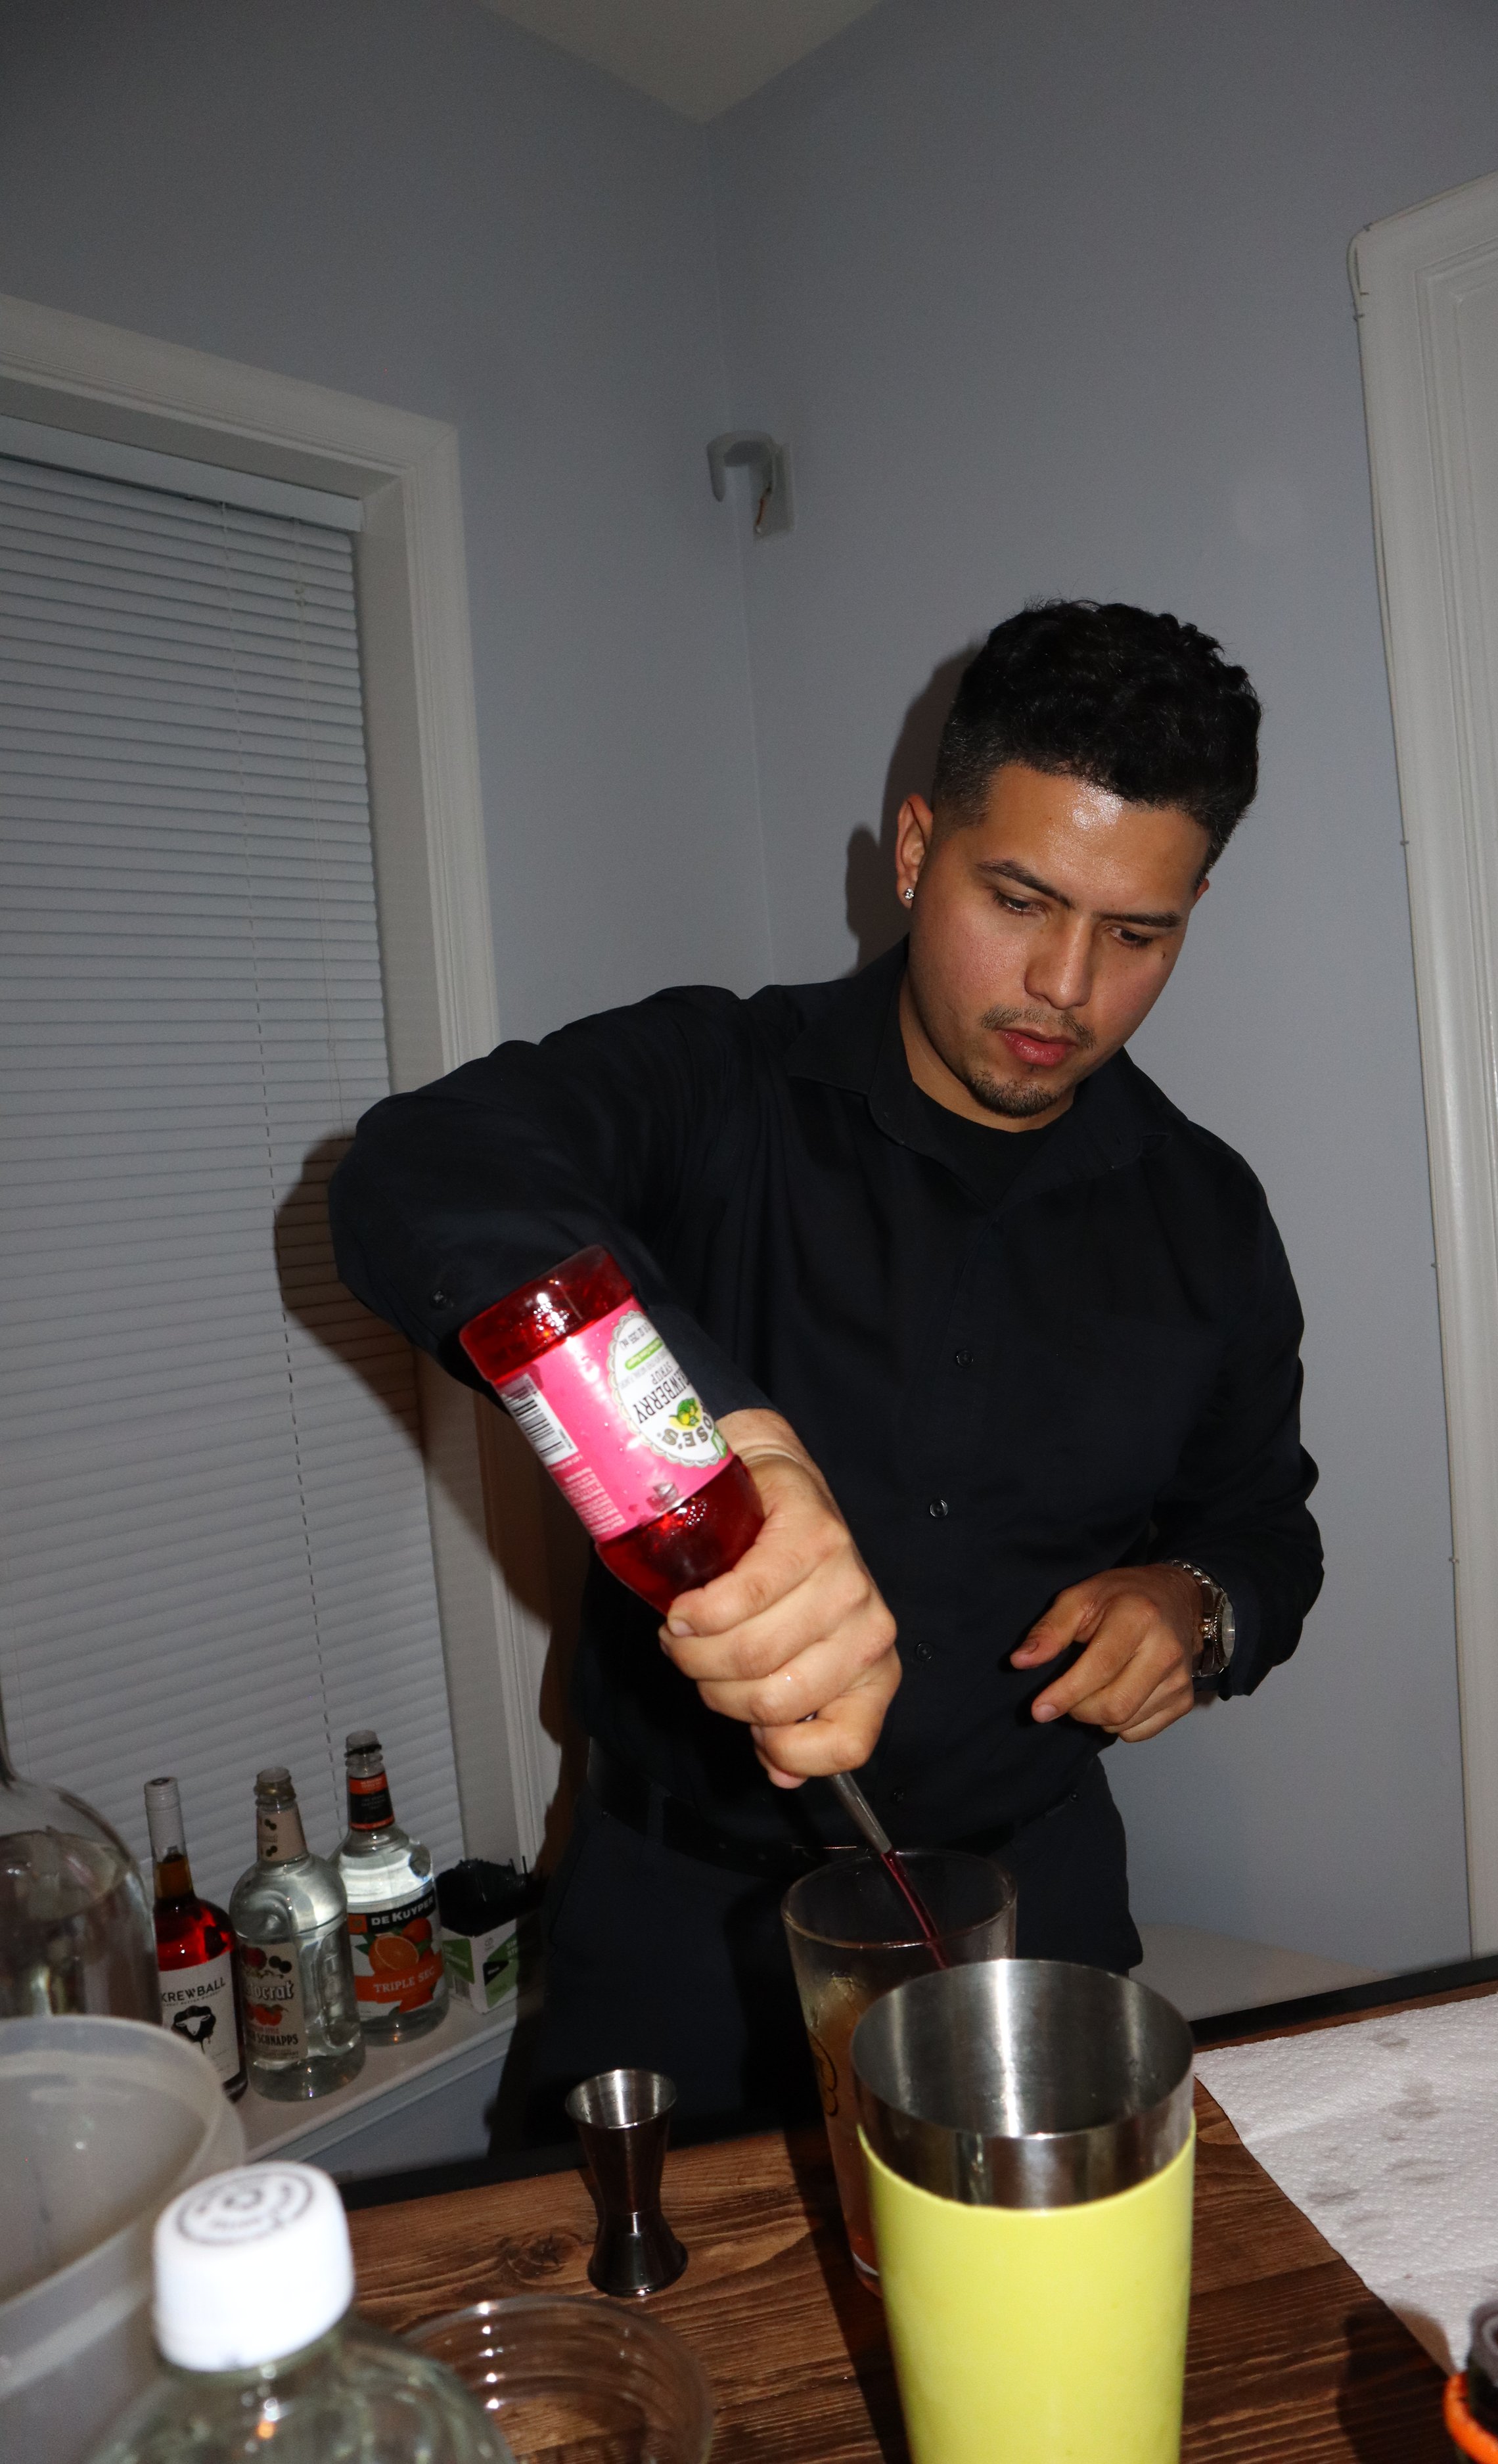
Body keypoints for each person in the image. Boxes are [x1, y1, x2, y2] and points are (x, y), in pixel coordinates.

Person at [330, 599, 1323, 2133]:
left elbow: (1263, 1525)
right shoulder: (716, 1083)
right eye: (1018, 899)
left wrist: (1196, 1605)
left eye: (1135, 935)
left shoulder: (1206, 1213)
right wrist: (720, 1441)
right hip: (676, 1940)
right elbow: (422, 1170)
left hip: (1026, 1916)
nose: (1065, 986)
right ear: (916, 850)